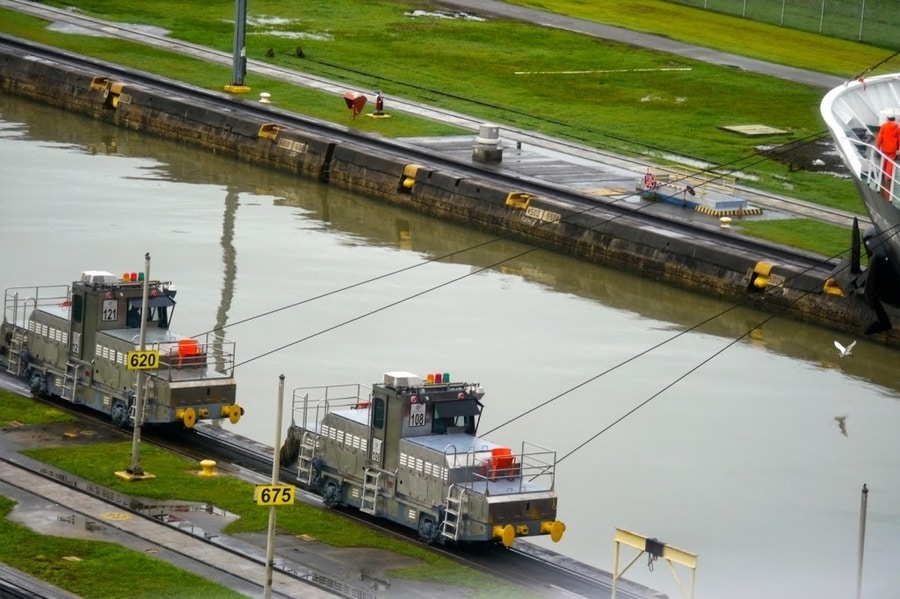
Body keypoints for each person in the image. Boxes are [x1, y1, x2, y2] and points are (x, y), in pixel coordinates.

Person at [875, 115, 900, 198]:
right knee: (890, 163)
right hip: (893, 149)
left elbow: (880, 137)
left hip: (885, 147)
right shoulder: (897, 128)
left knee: (884, 161)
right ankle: (888, 177)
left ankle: (882, 173)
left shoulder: (884, 126)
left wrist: (877, 146)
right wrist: (898, 148)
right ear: (894, 119)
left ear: (887, 119)